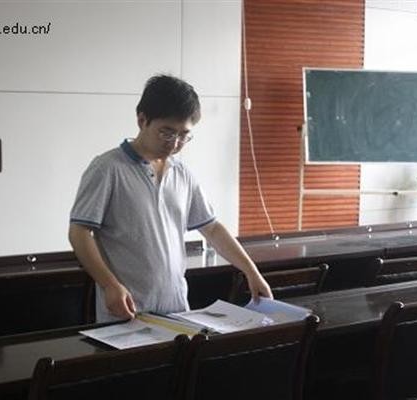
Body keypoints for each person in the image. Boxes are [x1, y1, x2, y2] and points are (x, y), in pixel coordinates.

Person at [69, 74, 272, 322]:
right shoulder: (108, 168)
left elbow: (212, 228)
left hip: (177, 309)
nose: (175, 143)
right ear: (142, 120)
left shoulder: (181, 173)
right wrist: (109, 284)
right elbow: (79, 232)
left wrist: (251, 271)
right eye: (166, 133)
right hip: (126, 312)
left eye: (183, 135)